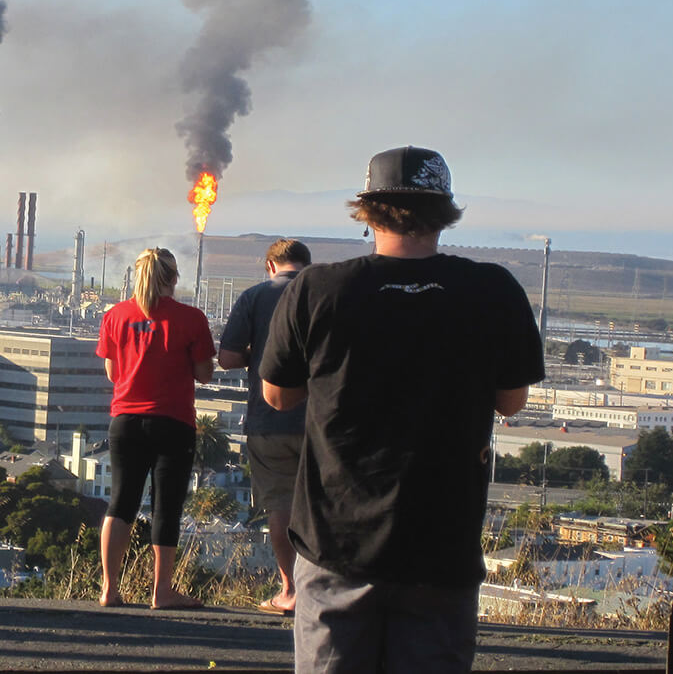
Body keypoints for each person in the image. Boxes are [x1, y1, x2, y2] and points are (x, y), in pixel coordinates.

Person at [260, 147, 544, 673]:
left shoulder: (318, 289)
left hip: (335, 542)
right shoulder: (492, 290)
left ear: (367, 211)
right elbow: (512, 401)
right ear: (445, 213)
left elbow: (277, 395)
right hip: (441, 546)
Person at [96, 247, 215, 610]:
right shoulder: (191, 319)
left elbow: (113, 373)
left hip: (126, 421)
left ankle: (109, 588)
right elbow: (204, 373)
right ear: (174, 279)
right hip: (173, 422)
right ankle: (162, 591)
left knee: (121, 502)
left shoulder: (115, 315)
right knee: (167, 507)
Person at [217, 237, 310, 616]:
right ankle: (322, 587)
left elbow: (226, 358)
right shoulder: (325, 295)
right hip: (318, 422)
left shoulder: (254, 297)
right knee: (320, 505)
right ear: (307, 264)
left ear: (270, 266)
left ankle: (290, 589)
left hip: (268, 419)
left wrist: (261, 355)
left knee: (279, 505)